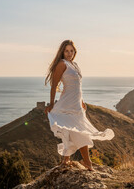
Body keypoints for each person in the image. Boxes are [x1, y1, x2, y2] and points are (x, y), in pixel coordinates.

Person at [44, 40, 115, 171]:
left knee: (73, 130)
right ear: (62, 52)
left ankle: (66, 160)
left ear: (74, 52)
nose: (69, 53)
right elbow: (54, 85)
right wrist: (52, 103)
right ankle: (87, 162)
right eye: (66, 51)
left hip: (76, 103)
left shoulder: (75, 65)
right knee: (77, 130)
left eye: (71, 51)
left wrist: (82, 101)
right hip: (67, 103)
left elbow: (78, 87)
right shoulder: (62, 64)